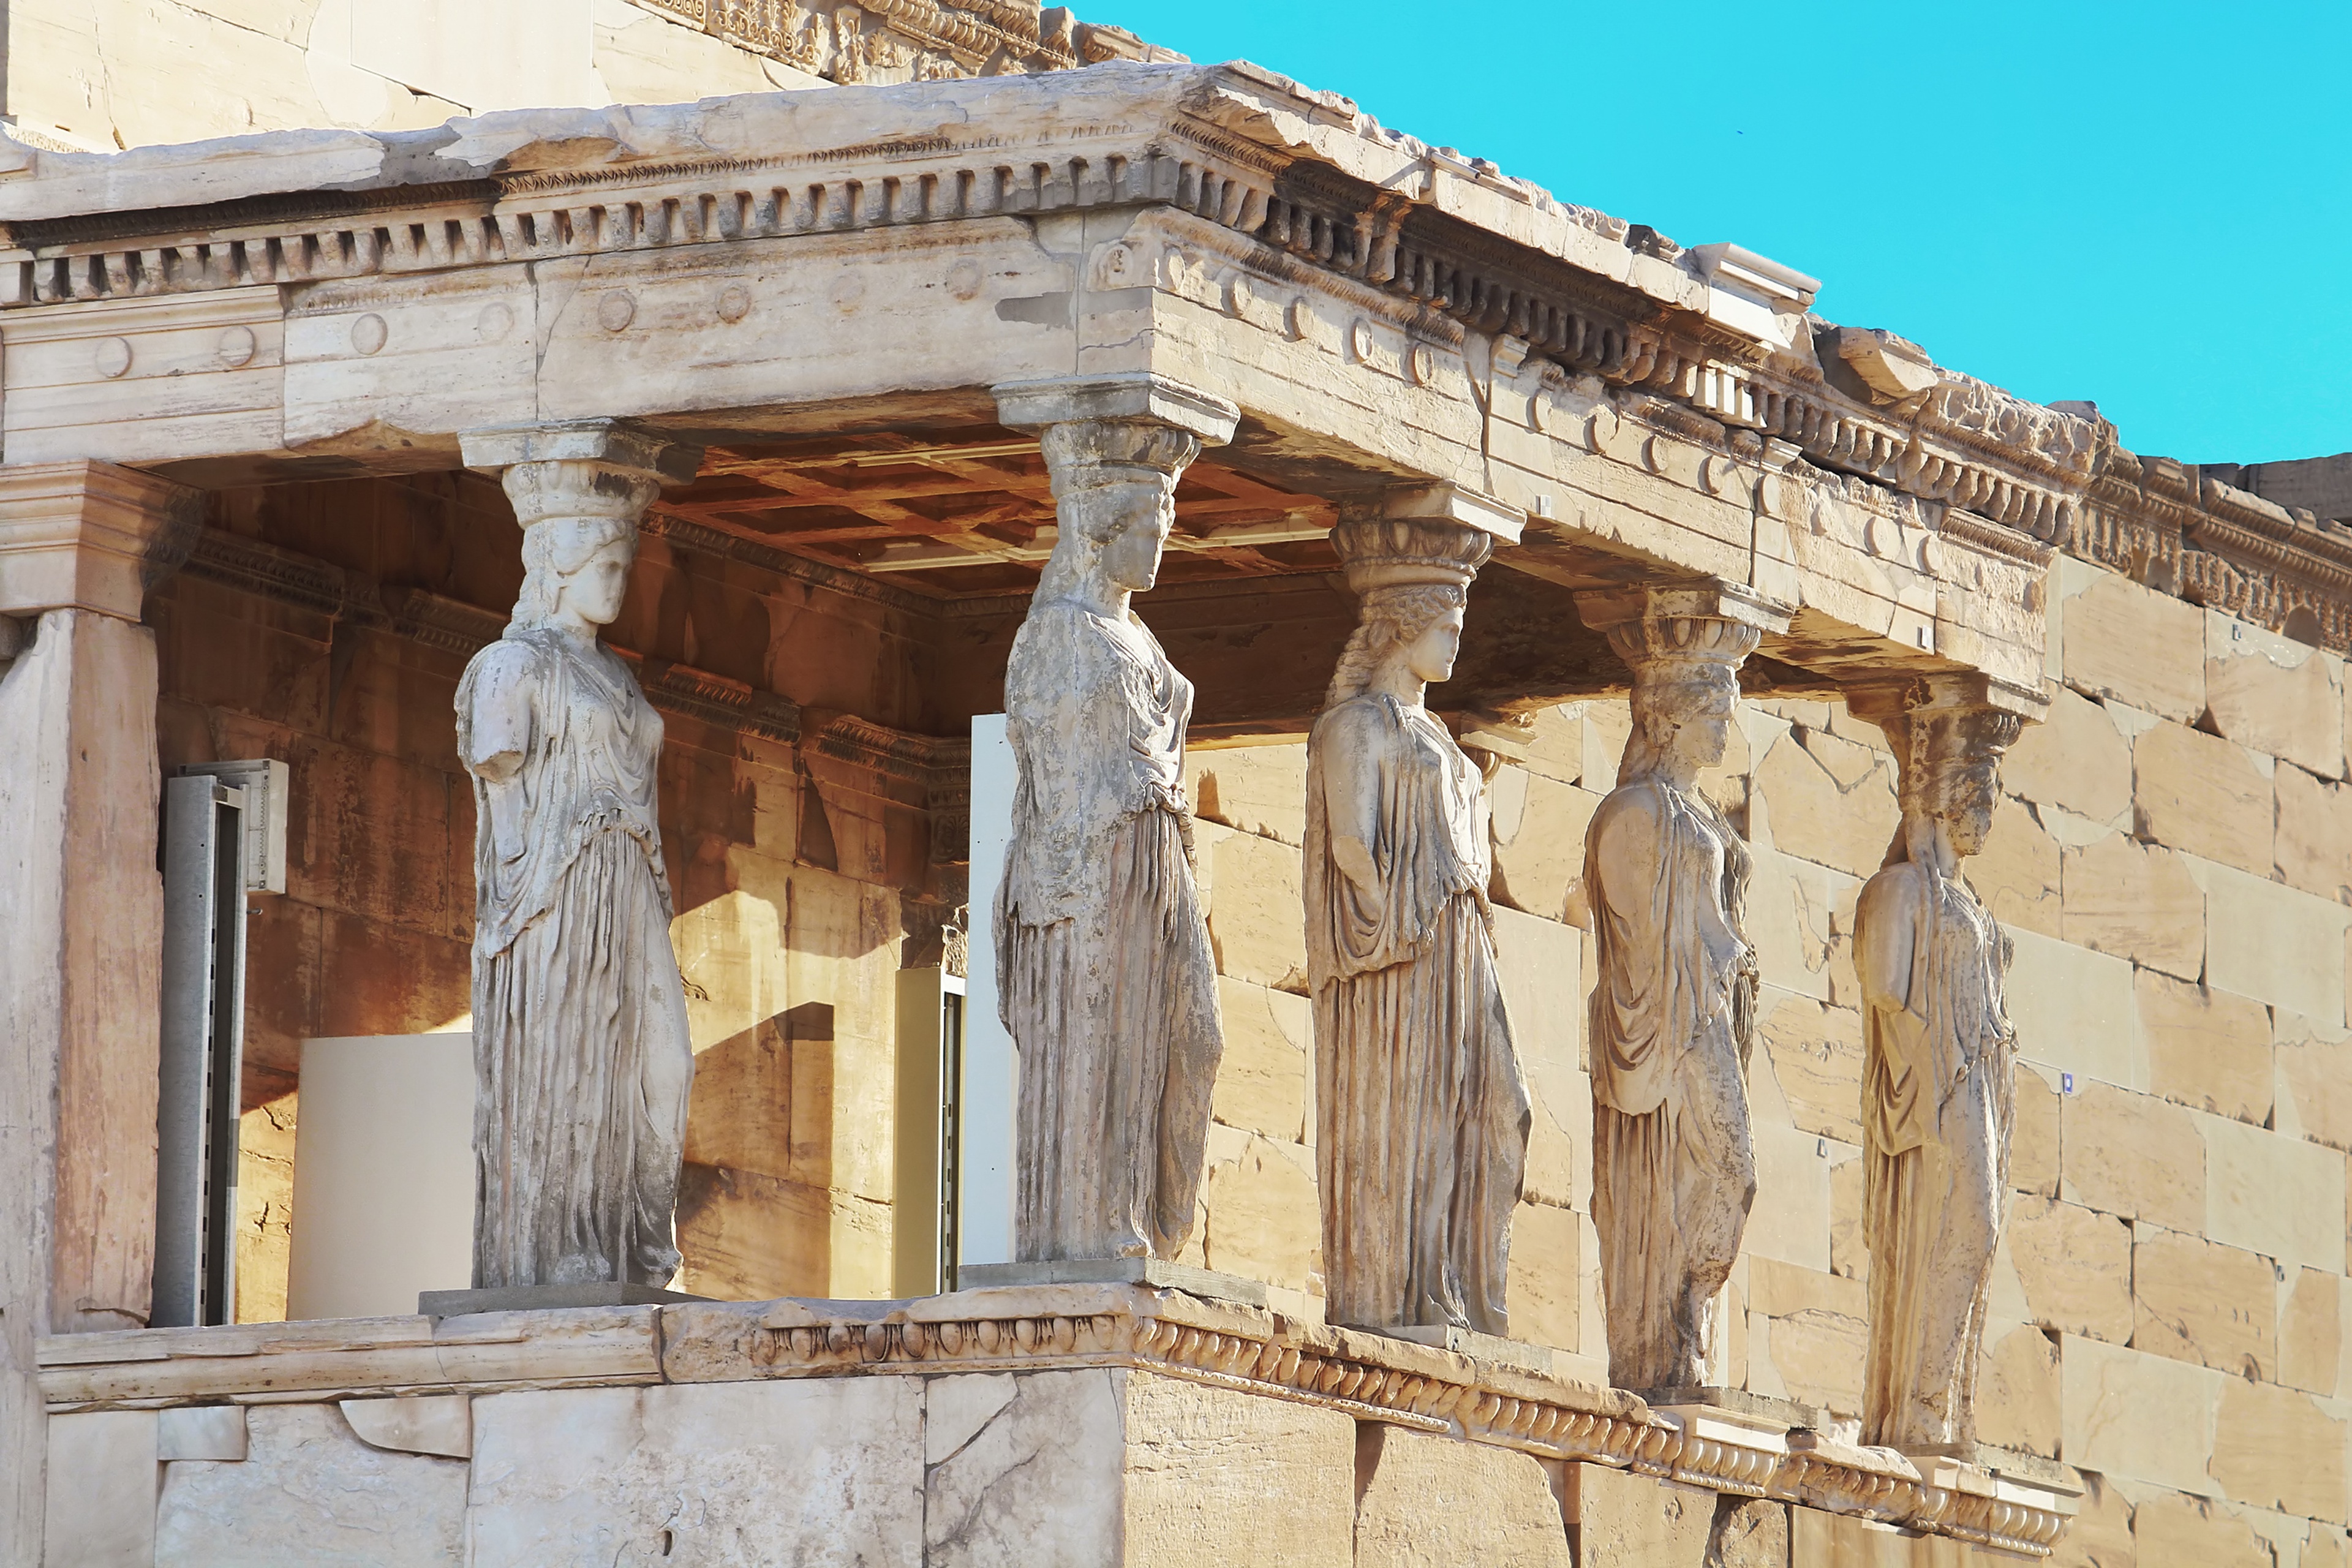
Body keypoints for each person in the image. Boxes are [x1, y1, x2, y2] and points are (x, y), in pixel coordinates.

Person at [998, 422, 1222, 1262]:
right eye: (1145, 533)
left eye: (1163, 531)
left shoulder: (1142, 639)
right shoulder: (1059, 633)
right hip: (1094, 874)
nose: (1159, 551)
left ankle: (1157, 1233)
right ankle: (1098, 1229)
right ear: (1103, 533)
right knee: (1102, 1044)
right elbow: (1049, 775)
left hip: (1159, 864)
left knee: (1197, 1036)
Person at [456, 505, 692, 1290]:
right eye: (604, 564)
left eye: (625, 566)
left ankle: (643, 1242)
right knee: (571, 1064)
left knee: (667, 1065)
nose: (617, 582)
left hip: (631, 882)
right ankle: (564, 1245)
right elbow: (500, 768)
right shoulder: (511, 664)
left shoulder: (619, 676)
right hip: (560, 890)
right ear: (557, 568)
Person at [1305, 521, 1528, 1335]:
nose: (1456, 647)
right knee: (1425, 1117)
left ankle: (1460, 1289)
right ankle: (1413, 1295)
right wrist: (1398, 925)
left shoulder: (1438, 736)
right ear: (1402, 629)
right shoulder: (1357, 725)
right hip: (1413, 944)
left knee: (1503, 1111)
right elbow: (1350, 844)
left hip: (1465, 944)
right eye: (1446, 630)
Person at [1855, 695, 2019, 1449]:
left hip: (1980, 1081)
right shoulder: (1900, 890)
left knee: (1979, 1230)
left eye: (1990, 793)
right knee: (1960, 1225)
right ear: (1943, 800)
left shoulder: (1972, 903)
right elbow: (1887, 987)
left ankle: (1941, 1405)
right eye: (1976, 794)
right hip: (1937, 1085)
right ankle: (1916, 1405)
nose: (1987, 808)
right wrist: (1931, 1066)